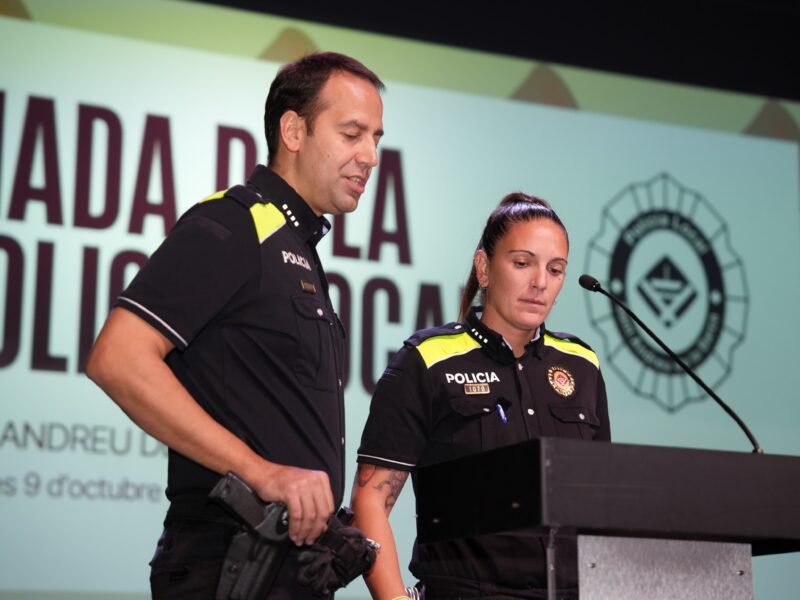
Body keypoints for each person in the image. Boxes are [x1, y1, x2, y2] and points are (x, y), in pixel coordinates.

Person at [86, 52, 385, 598]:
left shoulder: (295, 246)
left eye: (376, 139)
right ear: (293, 130)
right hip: (230, 559)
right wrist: (263, 473)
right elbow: (117, 358)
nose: (369, 156)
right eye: (352, 134)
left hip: (285, 565)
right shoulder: (234, 223)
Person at [351, 193, 611, 599]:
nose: (540, 282)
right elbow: (370, 498)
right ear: (485, 268)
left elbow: (600, 504)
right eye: (522, 263)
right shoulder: (427, 360)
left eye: (555, 269)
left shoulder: (582, 364)